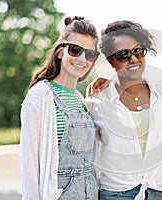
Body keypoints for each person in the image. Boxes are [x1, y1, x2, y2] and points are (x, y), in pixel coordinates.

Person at [85, 20, 162, 200]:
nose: (133, 58)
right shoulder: (96, 103)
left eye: (138, 51)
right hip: (115, 194)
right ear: (111, 60)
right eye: (123, 54)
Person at [20, 16, 100, 200]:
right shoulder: (40, 96)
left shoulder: (81, 100)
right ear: (59, 52)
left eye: (90, 54)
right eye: (75, 50)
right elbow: (29, 162)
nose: (82, 59)